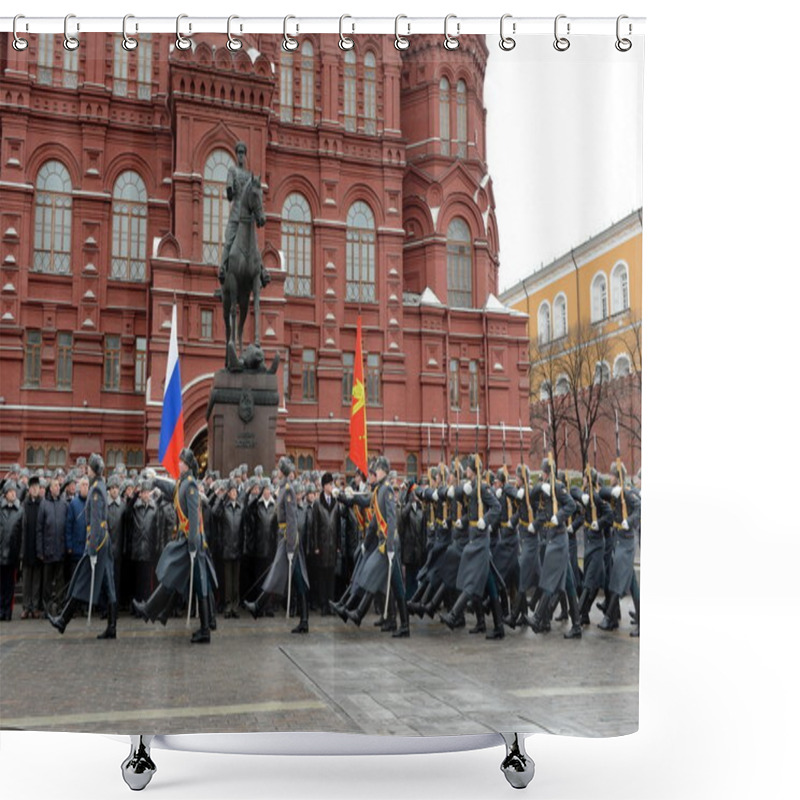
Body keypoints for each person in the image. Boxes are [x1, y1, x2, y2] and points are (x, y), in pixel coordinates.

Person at [133, 449, 216, 644]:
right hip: (187, 542)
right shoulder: (183, 483)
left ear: (186, 465)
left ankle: (152, 611)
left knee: (193, 582)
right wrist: (155, 480)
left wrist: (194, 545)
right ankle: (202, 627)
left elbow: (195, 517)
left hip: (191, 544)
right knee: (192, 583)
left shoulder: (191, 486)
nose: (178, 464)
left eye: (180, 462)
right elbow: (171, 489)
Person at [47, 454, 118, 639]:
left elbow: (95, 522)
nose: (86, 469)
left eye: (88, 467)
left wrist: (92, 549)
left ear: (92, 470)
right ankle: (112, 626)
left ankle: (63, 620)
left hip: (98, 542)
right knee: (108, 582)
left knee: (81, 581)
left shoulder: (95, 491)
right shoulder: (100, 485)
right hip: (104, 540)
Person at [344, 456, 410, 638]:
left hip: (389, 545)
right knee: (396, 586)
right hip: (385, 544)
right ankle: (401, 624)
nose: (376, 472)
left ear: (384, 471)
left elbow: (391, 519)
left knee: (380, 577)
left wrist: (389, 547)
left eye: (378, 470)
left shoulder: (387, 489)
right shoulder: (378, 490)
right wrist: (366, 544)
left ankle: (360, 614)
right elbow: (374, 520)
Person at [439, 455, 504, 640]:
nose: (465, 471)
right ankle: (490, 625)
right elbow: (470, 512)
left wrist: (485, 520)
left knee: (471, 580)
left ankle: (454, 615)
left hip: (481, 541)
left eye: (468, 468)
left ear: (473, 470)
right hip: (474, 539)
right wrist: (464, 520)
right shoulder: (472, 488)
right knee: (488, 586)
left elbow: (497, 507)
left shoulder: (482, 487)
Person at [245, 457, 310, 634]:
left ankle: (258, 606)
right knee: (297, 579)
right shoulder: (283, 488)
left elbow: (291, 518)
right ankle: (304, 620)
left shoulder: (288, 490)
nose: (277, 470)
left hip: (289, 540)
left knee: (276, 573)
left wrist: (290, 547)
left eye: (279, 468)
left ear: (283, 471)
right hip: (285, 538)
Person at [216, 141, 269, 294]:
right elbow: (229, 195)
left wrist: (258, 215)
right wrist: (229, 189)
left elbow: (253, 197)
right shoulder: (232, 171)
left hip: (247, 217)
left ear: (245, 155)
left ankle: (262, 272)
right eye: (238, 152)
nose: (240, 155)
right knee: (229, 240)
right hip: (235, 214)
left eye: (242, 153)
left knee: (254, 244)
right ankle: (223, 268)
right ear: (236, 154)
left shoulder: (248, 176)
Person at [597, 462, 641, 634]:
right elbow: (602, 493)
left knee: (617, 578)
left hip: (627, 541)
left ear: (619, 477)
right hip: (619, 541)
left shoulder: (629, 494)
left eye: (613, 476)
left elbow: (639, 508)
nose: (610, 478)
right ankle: (634, 619)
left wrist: (628, 521)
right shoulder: (616, 492)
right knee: (632, 585)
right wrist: (615, 491)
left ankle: (609, 617)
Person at [309, 472, 340, 616]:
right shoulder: (317, 503)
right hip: (321, 545)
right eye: (329, 484)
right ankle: (323, 605)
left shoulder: (335, 503)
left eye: (332, 483)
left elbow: (338, 525)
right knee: (322, 576)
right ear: (323, 486)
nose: (331, 486)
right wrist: (315, 545)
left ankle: (330, 603)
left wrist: (338, 544)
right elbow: (314, 526)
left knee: (331, 576)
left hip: (333, 545)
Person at [36, 473, 67, 615]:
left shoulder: (63, 503)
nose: (58, 487)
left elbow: (66, 526)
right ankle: (47, 608)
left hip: (60, 549)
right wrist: (40, 550)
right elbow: (39, 529)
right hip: (48, 550)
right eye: (55, 485)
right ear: (50, 488)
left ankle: (59, 607)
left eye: (59, 485)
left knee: (60, 581)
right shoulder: (44, 503)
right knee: (47, 582)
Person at [214, 479, 244, 618]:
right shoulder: (224, 507)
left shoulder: (241, 507)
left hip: (237, 546)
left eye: (235, 491)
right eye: (231, 491)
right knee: (228, 579)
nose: (233, 493)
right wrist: (221, 497)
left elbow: (244, 528)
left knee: (236, 580)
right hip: (226, 547)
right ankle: (228, 605)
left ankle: (235, 606)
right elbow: (214, 512)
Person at [20, 475, 43, 619]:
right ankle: (25, 607)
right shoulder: (24, 505)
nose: (35, 489)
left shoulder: (42, 504)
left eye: (37, 487)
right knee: (26, 581)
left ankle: (35, 607)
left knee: (36, 581)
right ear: (29, 489)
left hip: (38, 547)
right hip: (27, 547)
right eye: (33, 487)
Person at [0, 481, 23, 620]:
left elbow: (21, 534)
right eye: (10, 491)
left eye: (14, 491)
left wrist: (20, 554)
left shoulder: (20, 511)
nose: (13, 493)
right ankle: (0, 610)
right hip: (0, 552)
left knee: (10, 585)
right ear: (5, 494)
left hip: (12, 554)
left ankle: (7, 611)